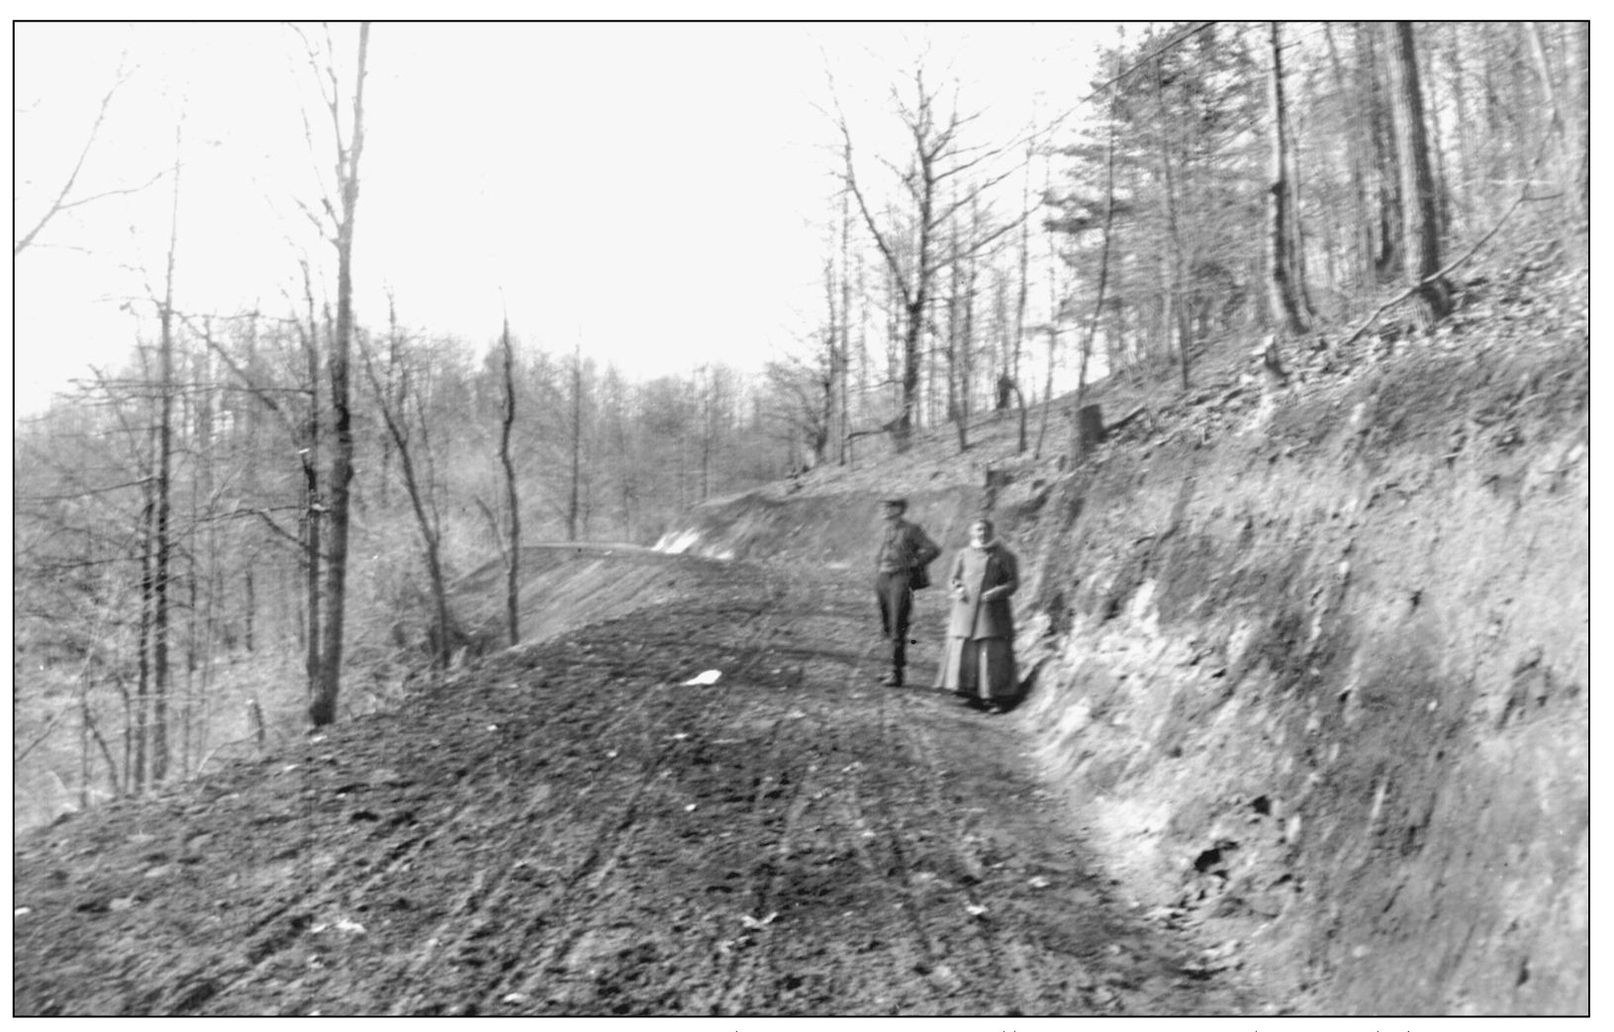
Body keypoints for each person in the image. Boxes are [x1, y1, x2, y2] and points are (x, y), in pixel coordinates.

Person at [936, 517, 1019, 713]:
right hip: (964, 610)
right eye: (978, 530)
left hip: (991, 612)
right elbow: (953, 579)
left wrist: (996, 592)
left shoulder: (1005, 556)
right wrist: (957, 588)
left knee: (989, 651)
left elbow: (1013, 583)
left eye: (985, 530)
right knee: (965, 649)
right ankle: (967, 691)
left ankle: (993, 696)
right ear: (972, 533)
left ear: (991, 532)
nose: (982, 534)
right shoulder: (963, 554)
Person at [872, 498, 941, 687]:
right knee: (887, 625)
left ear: (900, 509)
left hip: (900, 580)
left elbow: (933, 549)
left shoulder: (911, 529)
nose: (885, 509)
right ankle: (890, 668)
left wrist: (915, 563)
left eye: (890, 506)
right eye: (884, 506)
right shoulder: (886, 529)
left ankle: (897, 673)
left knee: (898, 624)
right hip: (883, 578)